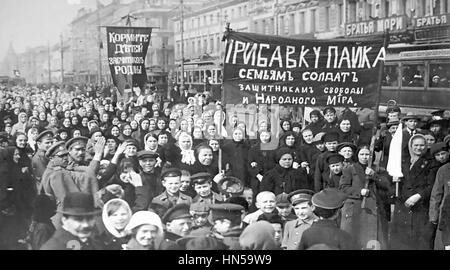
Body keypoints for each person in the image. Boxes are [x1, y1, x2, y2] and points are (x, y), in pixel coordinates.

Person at [339, 145, 391, 250]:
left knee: (373, 238)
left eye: (367, 154)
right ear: (357, 155)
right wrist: (359, 191)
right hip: (356, 207)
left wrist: (374, 175)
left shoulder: (378, 169)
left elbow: (387, 185)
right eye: (361, 154)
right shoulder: (350, 168)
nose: (364, 157)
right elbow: (343, 188)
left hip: (374, 208)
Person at [390, 134, 435, 250]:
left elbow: (432, 185)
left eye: (422, 145)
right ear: (411, 146)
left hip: (420, 206)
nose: (418, 148)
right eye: (416, 145)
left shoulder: (431, 163)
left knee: (419, 239)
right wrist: (395, 179)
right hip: (403, 206)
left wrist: (418, 196)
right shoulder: (403, 162)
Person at [429, 143, 450, 249]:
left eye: (443, 153)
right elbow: (436, 194)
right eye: (438, 154)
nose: (441, 156)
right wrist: (434, 214)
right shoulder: (444, 170)